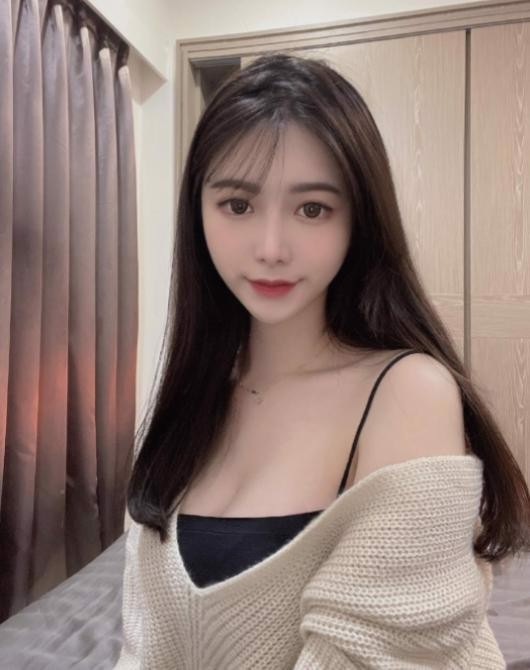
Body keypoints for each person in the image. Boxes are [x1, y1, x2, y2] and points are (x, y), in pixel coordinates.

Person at [114, 52, 529, 669]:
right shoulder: (191, 400)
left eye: (312, 209)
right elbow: (143, 645)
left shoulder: (408, 391)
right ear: (197, 212)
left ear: (358, 220)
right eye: (237, 205)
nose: (271, 248)